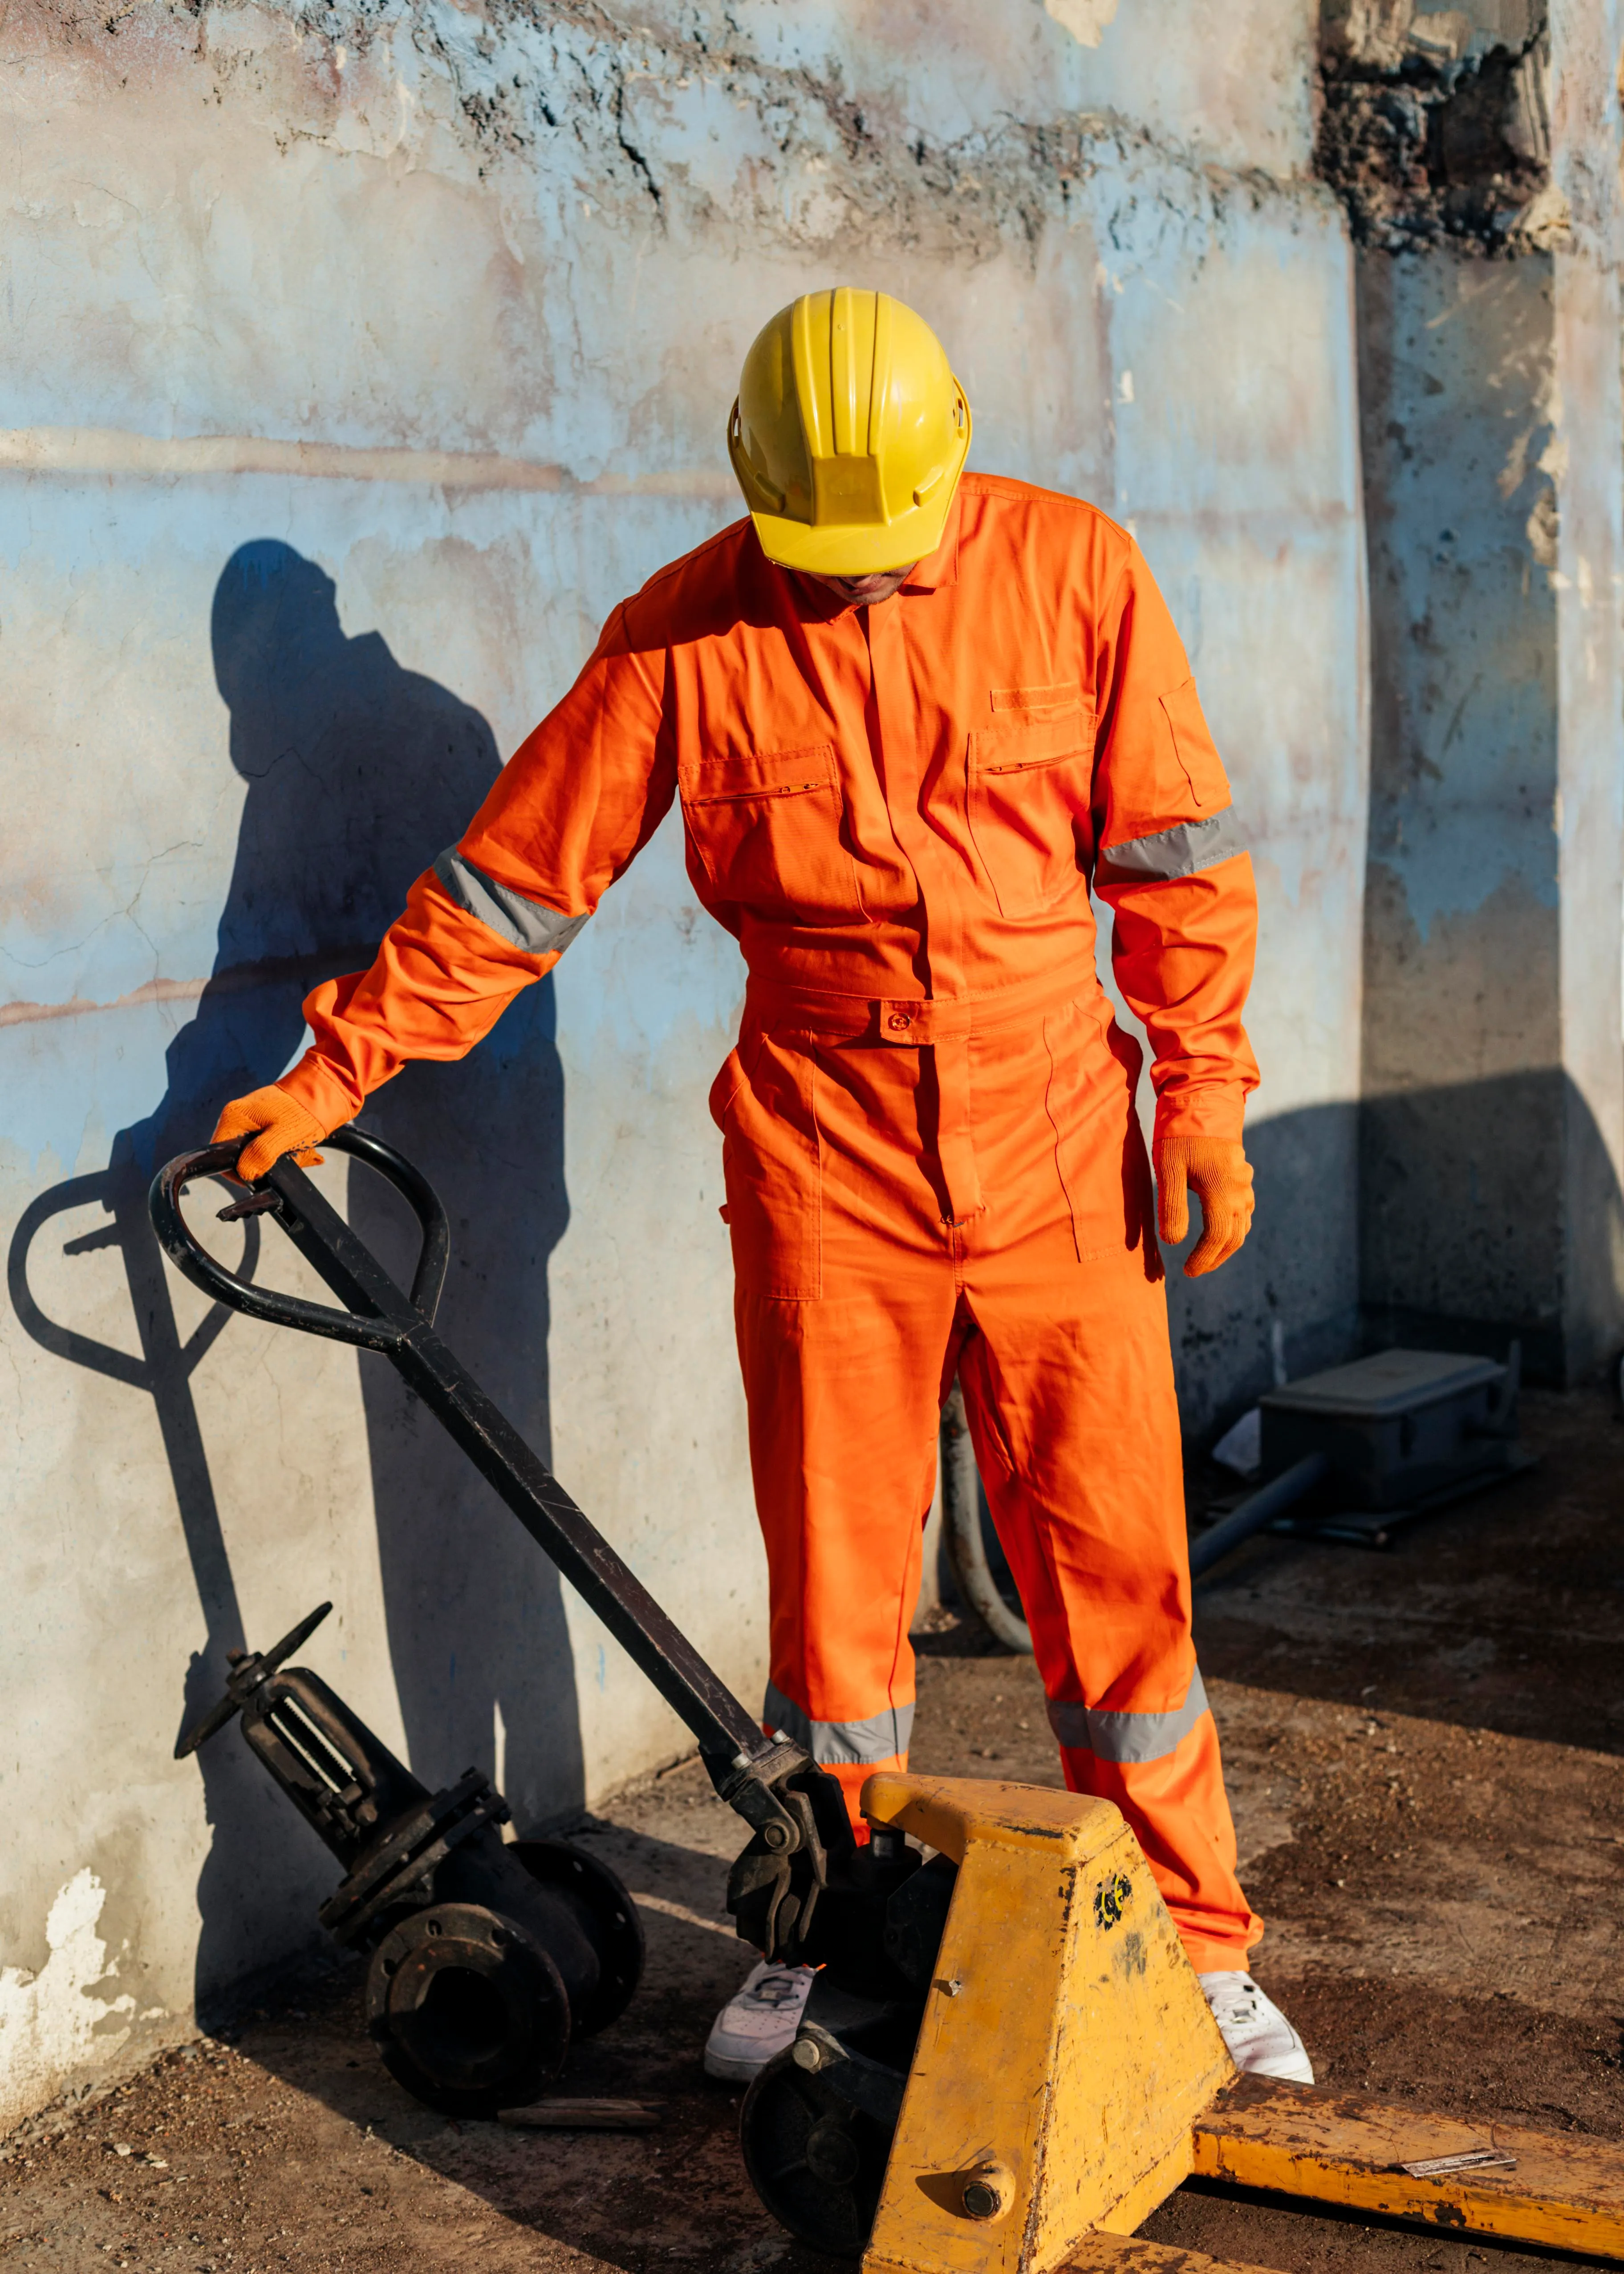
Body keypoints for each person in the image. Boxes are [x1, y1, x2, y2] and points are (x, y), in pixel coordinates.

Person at [213, 287, 1311, 2088]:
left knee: (1119, 1573)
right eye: (827, 556)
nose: (863, 584)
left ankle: (1191, 1942)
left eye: (894, 549)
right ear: (758, 495)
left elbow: (1178, 867)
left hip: (1052, 1133)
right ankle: (839, 1936)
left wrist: (1202, 1094)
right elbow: (510, 894)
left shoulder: (1077, 572)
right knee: (840, 1594)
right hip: (826, 1143)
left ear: (955, 459)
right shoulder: (679, 638)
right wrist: (331, 1070)